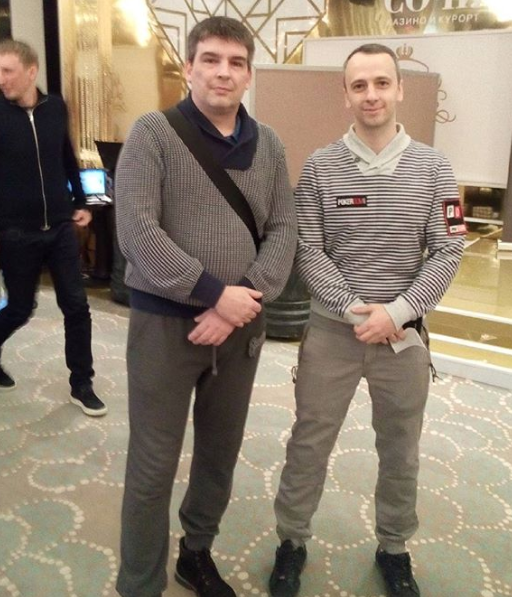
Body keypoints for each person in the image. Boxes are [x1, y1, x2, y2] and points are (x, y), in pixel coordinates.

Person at [269, 44, 465, 597]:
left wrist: (396, 313)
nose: (371, 94)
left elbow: (447, 251)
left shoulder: (435, 168)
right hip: (333, 333)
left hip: (403, 337)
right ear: (346, 95)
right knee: (308, 443)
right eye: (359, 85)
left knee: (400, 450)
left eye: (381, 83)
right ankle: (291, 541)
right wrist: (361, 312)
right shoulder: (321, 166)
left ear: (399, 88)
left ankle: (394, 548)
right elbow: (309, 250)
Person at [114, 15, 297, 597]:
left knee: (219, 455)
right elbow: (137, 232)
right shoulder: (153, 133)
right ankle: (139, 583)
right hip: (166, 327)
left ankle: (195, 553)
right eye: (211, 60)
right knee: (153, 464)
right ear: (188, 67)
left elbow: (285, 230)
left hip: (241, 328)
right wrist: (216, 295)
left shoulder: (268, 144)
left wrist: (240, 302)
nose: (224, 72)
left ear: (249, 75)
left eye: (236, 62)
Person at [0, 39, 107, 417]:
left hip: (60, 226)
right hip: (15, 231)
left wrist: (81, 201)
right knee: (20, 307)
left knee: (76, 306)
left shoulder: (55, 107)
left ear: (31, 72)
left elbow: (66, 156)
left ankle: (82, 383)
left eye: (8, 71)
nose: (0, 78)